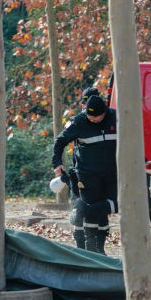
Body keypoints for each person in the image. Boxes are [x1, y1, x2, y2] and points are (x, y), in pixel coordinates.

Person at [52, 93, 117, 256]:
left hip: (112, 173)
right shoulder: (79, 121)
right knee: (92, 211)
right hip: (87, 174)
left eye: (97, 117)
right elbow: (60, 141)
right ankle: (90, 248)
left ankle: (98, 245)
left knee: (107, 207)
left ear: (105, 112)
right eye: (90, 116)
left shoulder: (116, 117)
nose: (93, 120)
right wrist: (57, 162)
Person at [61, 86, 102, 250]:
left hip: (95, 174)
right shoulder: (76, 121)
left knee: (95, 214)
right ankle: (82, 246)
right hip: (81, 173)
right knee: (80, 212)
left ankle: (94, 248)